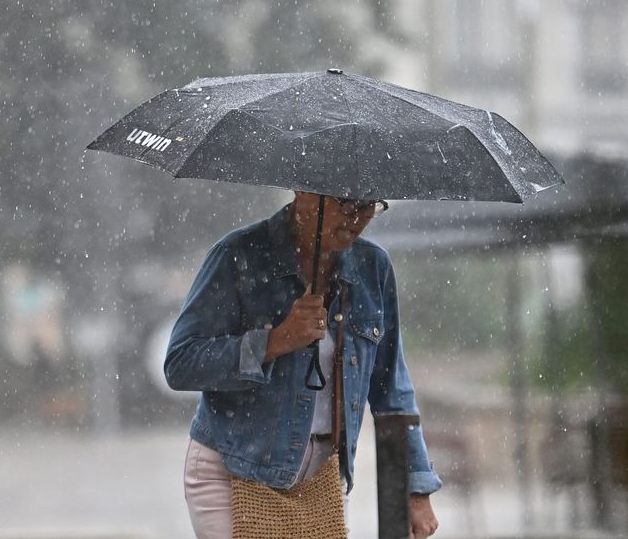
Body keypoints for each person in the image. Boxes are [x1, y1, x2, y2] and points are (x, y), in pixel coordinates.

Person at [165, 191, 441, 538]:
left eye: (368, 206)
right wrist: (276, 340)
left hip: (322, 480)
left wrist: (415, 487)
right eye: (344, 203)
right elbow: (181, 362)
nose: (356, 218)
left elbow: (391, 387)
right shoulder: (238, 256)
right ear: (302, 191)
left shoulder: (373, 269)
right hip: (233, 472)